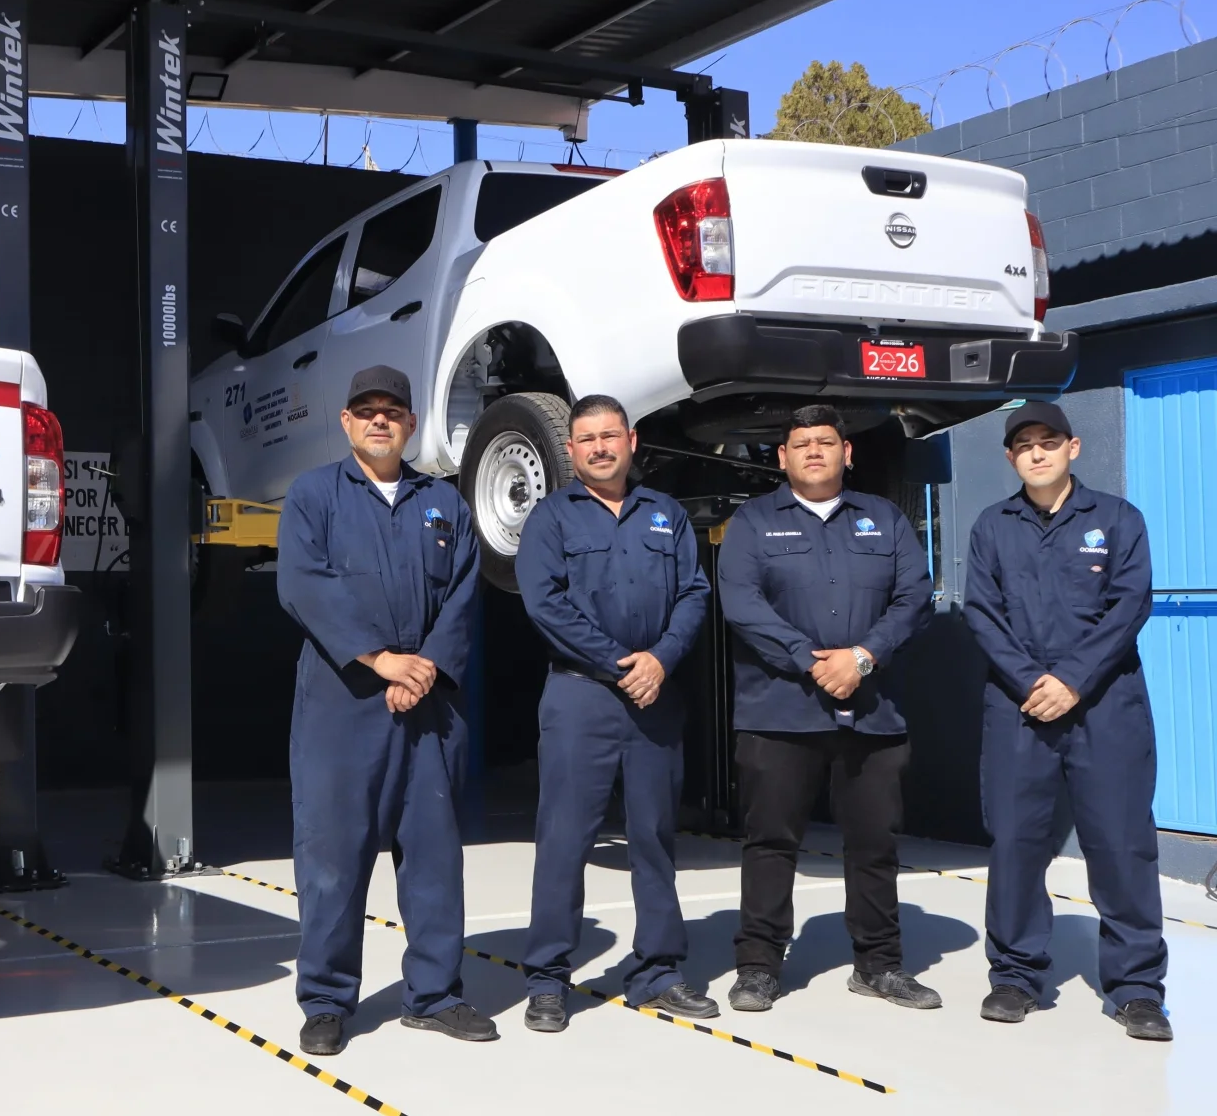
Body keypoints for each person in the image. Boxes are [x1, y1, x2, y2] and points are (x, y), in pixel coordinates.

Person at [275, 364, 492, 1056]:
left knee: (432, 857)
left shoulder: (445, 504)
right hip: (343, 704)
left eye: (392, 410)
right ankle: (328, 1000)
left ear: (411, 424)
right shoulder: (313, 496)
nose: (378, 419)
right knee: (332, 859)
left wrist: (420, 668)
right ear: (345, 422)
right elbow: (304, 587)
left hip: (427, 707)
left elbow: (462, 595)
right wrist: (380, 660)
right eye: (365, 409)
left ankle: (434, 995)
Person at [716, 405, 939, 1012]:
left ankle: (879, 965)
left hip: (872, 712)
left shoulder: (885, 520)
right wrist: (810, 659)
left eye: (825, 442)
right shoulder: (753, 523)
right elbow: (740, 601)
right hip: (779, 712)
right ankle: (759, 965)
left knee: (874, 843)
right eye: (800, 443)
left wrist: (863, 657)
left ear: (848, 453)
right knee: (770, 842)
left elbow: (914, 597)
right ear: (782, 457)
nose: (814, 451)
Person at [961, 403, 1171, 1040]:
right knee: (1017, 842)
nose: (1037, 453)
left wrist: (1073, 679)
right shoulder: (991, 528)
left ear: (1073, 448)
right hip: (1021, 707)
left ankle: (1136, 989)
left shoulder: (1116, 520)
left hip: (1106, 703)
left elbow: (1128, 605)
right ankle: (1015, 975)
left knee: (1121, 843)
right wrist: (1034, 683)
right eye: (1023, 445)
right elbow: (982, 613)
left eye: (1048, 442)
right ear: (1010, 459)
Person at [515, 395, 714, 1031]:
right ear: (569, 452)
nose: (600, 448)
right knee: (564, 839)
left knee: (653, 838)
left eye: (610, 436)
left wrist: (661, 659)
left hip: (656, 695)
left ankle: (658, 970)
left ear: (631, 441)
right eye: (586, 439)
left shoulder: (667, 514)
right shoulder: (550, 518)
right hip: (581, 698)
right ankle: (548, 978)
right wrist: (621, 665)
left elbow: (693, 593)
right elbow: (545, 604)